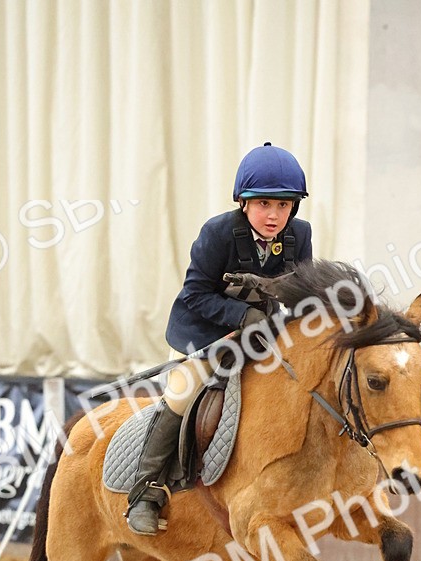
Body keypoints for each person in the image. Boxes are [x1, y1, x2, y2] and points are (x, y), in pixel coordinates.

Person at [126, 142, 313, 536]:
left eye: (284, 206)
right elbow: (195, 294)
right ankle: (146, 491)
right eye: (264, 204)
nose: (274, 215)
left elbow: (302, 293)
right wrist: (242, 314)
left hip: (263, 336)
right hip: (208, 333)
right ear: (243, 203)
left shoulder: (300, 234)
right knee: (182, 391)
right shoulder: (218, 233)